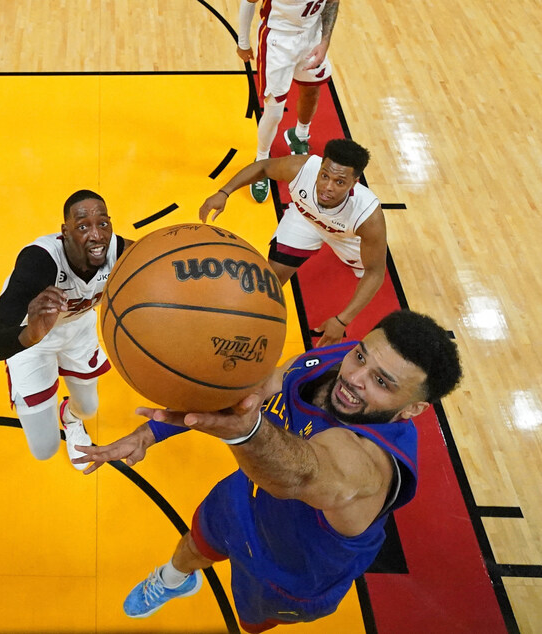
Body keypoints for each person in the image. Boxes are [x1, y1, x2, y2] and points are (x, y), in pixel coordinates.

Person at [74, 310, 462, 631]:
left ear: (412, 409)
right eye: (361, 356)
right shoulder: (338, 361)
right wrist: (152, 431)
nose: (354, 378)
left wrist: (246, 432)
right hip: (241, 501)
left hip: (289, 568)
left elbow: (303, 475)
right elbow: (265, 385)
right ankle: (173, 581)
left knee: (248, 622)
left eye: (381, 382)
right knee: (194, 543)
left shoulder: (373, 466)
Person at [0, 190, 133, 470]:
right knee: (44, 449)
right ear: (65, 231)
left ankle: (69, 417)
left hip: (77, 330)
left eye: (103, 223)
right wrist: (29, 335)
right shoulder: (39, 262)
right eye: (83, 226)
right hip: (29, 340)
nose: (96, 236)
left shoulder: (120, 250)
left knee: (87, 409)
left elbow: (168, 260)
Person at [200, 138, 384, 347]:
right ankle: (246, 329)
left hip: (346, 237)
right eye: (324, 176)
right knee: (269, 282)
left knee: (364, 269)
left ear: (355, 181)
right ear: (320, 167)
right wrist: (224, 192)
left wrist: (342, 320)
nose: (327, 187)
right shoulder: (301, 168)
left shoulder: (367, 215)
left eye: (339, 182)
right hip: (305, 220)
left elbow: (375, 272)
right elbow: (263, 167)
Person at [236, 0, 340, 203]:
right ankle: (261, 161)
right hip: (278, 40)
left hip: (312, 35)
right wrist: (243, 43)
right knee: (274, 111)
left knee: (311, 92)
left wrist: (325, 40)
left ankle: (299, 135)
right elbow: (248, 2)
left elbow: (332, 2)